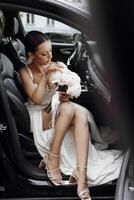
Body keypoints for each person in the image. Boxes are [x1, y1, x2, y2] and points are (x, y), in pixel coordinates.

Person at [19, 30, 123, 200]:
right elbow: (38, 99)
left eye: (51, 51)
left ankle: (81, 174)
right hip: (41, 114)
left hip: (54, 108)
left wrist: (64, 92)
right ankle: (53, 157)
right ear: (31, 55)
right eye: (44, 54)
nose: (49, 57)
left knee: (77, 112)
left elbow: (63, 87)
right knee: (69, 109)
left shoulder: (55, 66)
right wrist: (46, 76)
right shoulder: (25, 72)